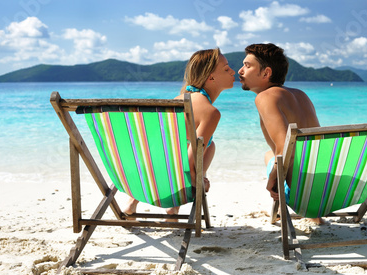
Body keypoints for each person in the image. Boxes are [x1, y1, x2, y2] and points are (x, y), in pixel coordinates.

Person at [124, 48, 235, 221]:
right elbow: (189, 164)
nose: (233, 71)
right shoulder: (210, 112)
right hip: (170, 185)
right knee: (203, 149)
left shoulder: (178, 100)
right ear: (211, 77)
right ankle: (174, 205)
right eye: (227, 68)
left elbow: (157, 145)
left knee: (186, 145)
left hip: (142, 179)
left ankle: (133, 202)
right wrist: (201, 182)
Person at [237, 43, 323, 225]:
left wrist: (271, 179)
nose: (240, 70)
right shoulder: (301, 95)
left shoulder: (265, 98)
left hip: (304, 196)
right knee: (272, 154)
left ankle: (303, 212)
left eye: (247, 65)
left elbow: (285, 148)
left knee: (273, 156)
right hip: (328, 189)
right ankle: (316, 217)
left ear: (266, 73)